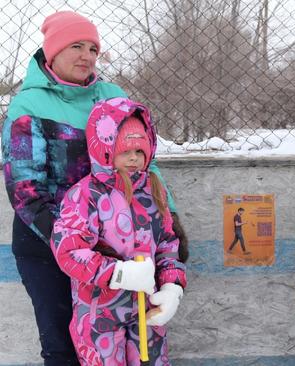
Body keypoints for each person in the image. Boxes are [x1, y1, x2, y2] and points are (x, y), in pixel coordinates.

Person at [0, 11, 185, 364]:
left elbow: (146, 161)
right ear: (52, 52)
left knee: (134, 341)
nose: (87, 56)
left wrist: (168, 215)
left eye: (93, 49)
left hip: (121, 241)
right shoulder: (28, 106)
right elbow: (25, 191)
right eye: (76, 46)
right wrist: (83, 247)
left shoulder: (111, 96)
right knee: (65, 345)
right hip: (48, 243)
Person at [50, 97, 187, 364]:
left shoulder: (153, 191)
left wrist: (172, 287)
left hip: (147, 312)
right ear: (105, 149)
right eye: (125, 151)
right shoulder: (86, 195)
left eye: (140, 150)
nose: (134, 158)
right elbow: (68, 250)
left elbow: (168, 245)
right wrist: (118, 273)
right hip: (99, 315)